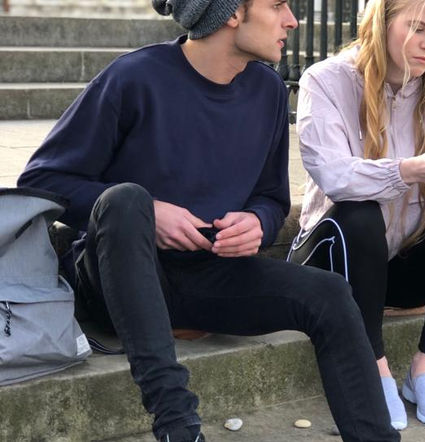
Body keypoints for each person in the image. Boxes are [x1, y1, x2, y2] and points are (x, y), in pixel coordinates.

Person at [17, 0, 401, 441]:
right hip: (114, 278)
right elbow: (42, 181)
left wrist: (257, 222)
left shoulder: (268, 91)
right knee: (127, 200)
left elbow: (272, 197)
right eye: (277, 5)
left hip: (210, 276)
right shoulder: (134, 78)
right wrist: (151, 213)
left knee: (329, 293)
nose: (292, 20)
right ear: (232, 12)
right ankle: (178, 426)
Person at [288, 0, 425, 431]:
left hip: (402, 268)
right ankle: (376, 371)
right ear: (383, 22)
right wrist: (407, 170)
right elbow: (333, 175)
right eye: (418, 29)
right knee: (360, 211)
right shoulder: (326, 79)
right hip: (333, 261)